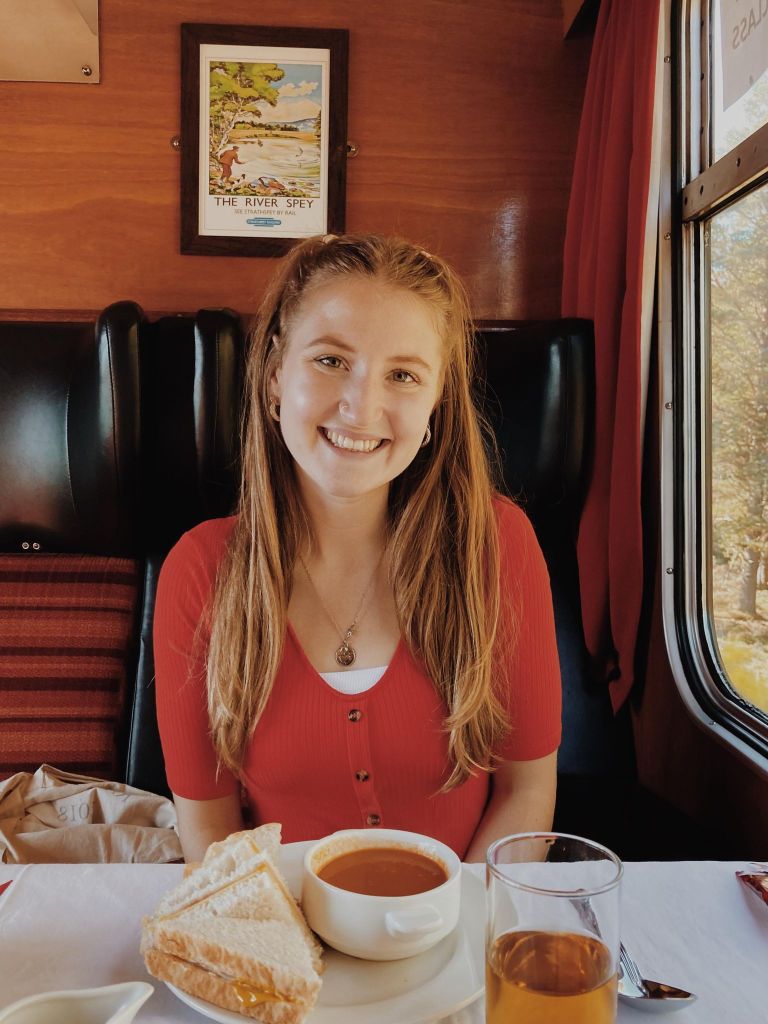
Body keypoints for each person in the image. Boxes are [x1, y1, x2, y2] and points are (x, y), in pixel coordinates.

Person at [154, 233, 561, 864]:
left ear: (435, 408)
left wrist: (455, 939)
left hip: (454, 934)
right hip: (279, 941)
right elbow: (210, 832)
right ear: (272, 380)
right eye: (330, 360)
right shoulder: (199, 568)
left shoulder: (497, 544)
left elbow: (527, 794)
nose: (361, 406)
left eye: (402, 375)